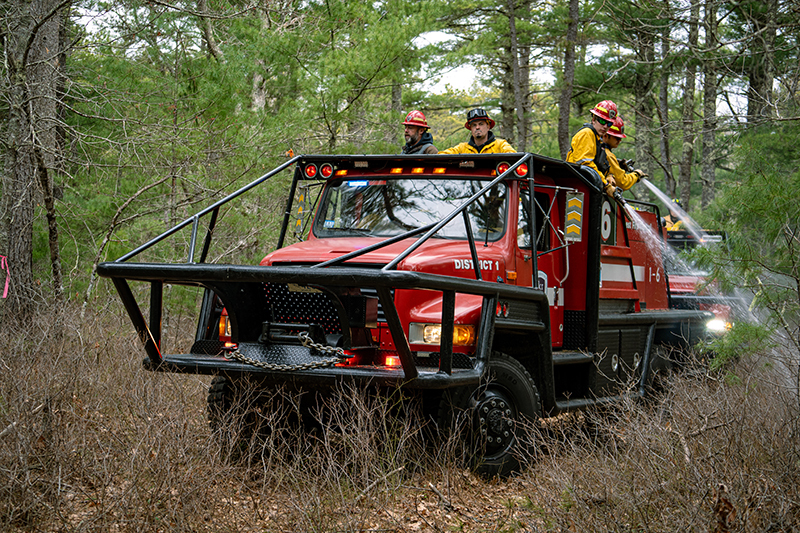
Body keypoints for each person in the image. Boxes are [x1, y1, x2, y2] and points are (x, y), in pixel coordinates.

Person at [566, 100, 617, 194]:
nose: (605, 126)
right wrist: (606, 185)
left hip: (587, 186)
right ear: (594, 119)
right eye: (602, 121)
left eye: (609, 124)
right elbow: (586, 165)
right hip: (577, 187)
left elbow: (597, 164)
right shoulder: (587, 134)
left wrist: (608, 175)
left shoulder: (597, 139)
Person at [602, 116, 647, 194]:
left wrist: (618, 166)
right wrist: (637, 174)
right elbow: (623, 182)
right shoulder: (608, 155)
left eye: (620, 138)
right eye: (616, 137)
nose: (620, 140)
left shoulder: (599, 149)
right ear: (605, 135)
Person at [439, 108, 516, 154]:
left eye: (481, 124)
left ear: (488, 126)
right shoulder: (462, 148)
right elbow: (442, 155)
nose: (477, 127)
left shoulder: (501, 145)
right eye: (474, 125)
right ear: (470, 129)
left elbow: (513, 156)